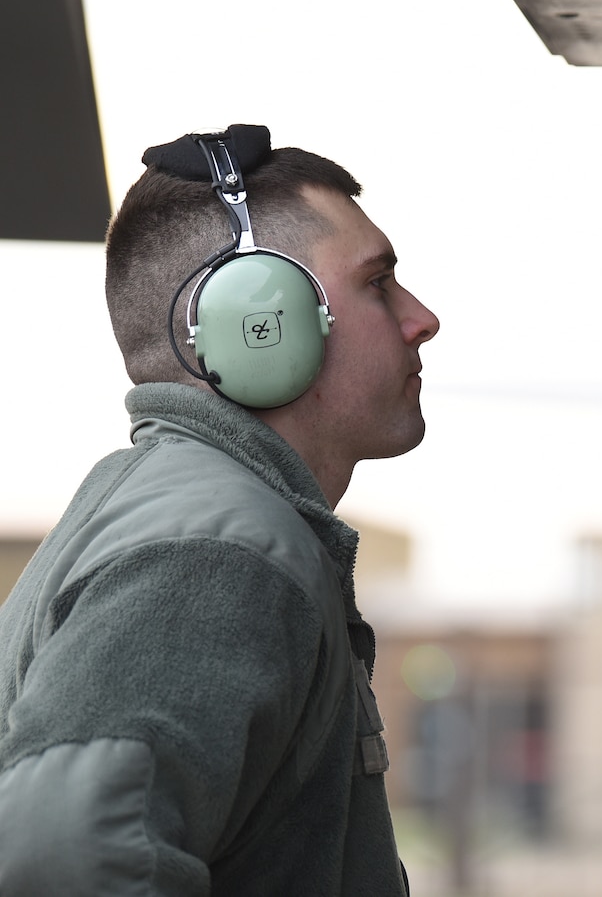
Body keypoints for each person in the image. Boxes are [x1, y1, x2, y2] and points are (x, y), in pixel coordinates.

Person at [0, 125, 438, 894]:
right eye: (378, 282)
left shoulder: (179, 513)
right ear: (258, 320)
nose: (421, 317)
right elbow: (67, 859)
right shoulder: (216, 550)